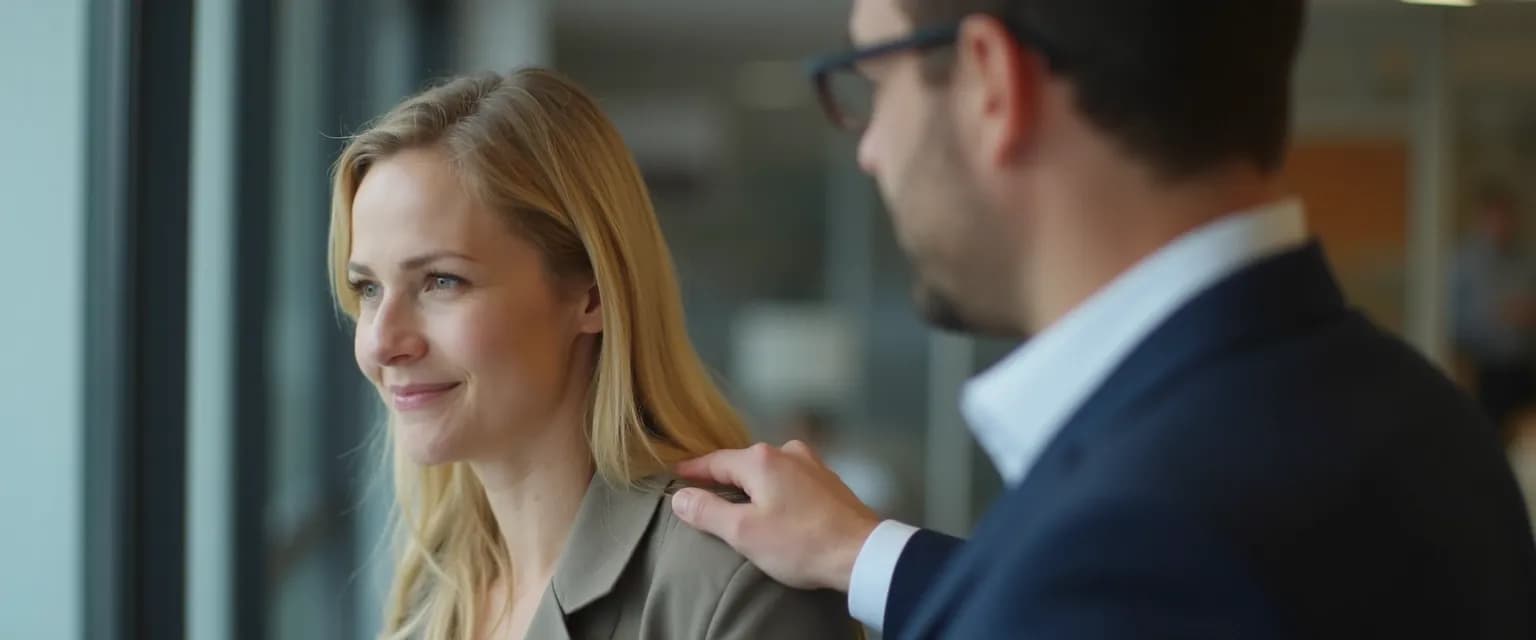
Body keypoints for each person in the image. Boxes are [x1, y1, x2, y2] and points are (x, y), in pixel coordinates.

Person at [667, 1, 1536, 638]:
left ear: (989, 82)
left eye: (873, 80)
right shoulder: (1431, 422)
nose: (868, 146)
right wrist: (864, 556)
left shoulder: (1123, 555)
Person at [330, 69, 853, 640]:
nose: (380, 341)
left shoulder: (730, 584)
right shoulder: (432, 590)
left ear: (593, 295)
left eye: (441, 282)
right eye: (368, 289)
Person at [1452, 185, 1536, 437]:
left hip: (1525, 364)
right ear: (1483, 219)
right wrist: (1499, 316)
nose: (1503, 223)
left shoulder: (1528, 260)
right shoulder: (1465, 263)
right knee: (1489, 435)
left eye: (1507, 216)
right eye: (1496, 216)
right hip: (1485, 369)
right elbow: (1456, 322)